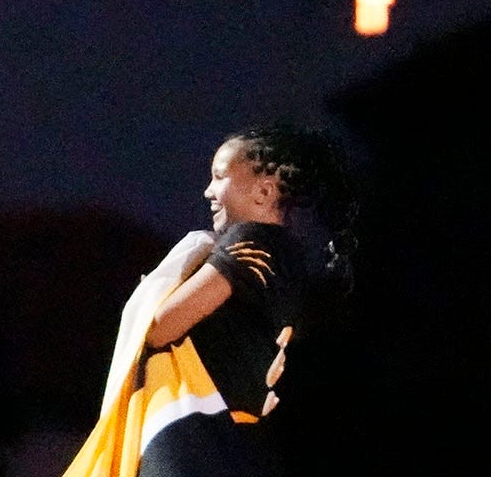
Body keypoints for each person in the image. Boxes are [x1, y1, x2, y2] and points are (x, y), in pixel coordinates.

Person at [143, 123, 359, 425]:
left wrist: (158, 286)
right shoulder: (295, 258)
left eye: (219, 177)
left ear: (264, 191)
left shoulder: (250, 240)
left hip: (202, 434)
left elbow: (158, 328)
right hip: (247, 438)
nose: (208, 191)